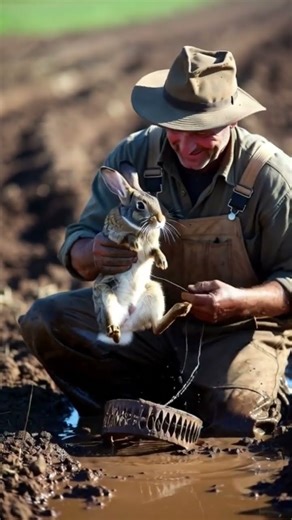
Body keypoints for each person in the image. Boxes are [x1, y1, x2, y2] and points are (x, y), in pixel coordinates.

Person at [19, 46, 292, 437]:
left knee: (237, 422)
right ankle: (127, 411)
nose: (186, 145)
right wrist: (92, 252)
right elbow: (78, 244)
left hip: (237, 331)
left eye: (202, 131)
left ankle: (238, 392)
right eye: (175, 128)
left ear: (231, 121)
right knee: (47, 321)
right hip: (147, 319)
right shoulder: (135, 154)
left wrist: (239, 302)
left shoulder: (271, 178)